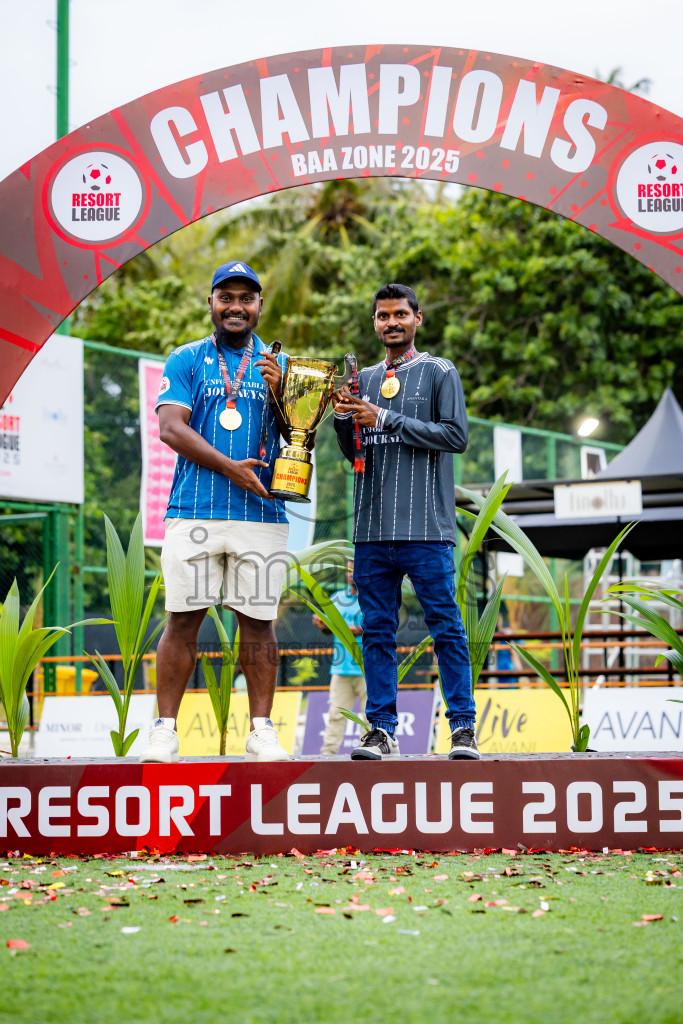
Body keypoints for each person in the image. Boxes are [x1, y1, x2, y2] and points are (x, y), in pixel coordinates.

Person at [140, 260, 291, 763]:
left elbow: (300, 439)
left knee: (258, 622)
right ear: (210, 303)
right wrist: (231, 468)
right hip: (195, 511)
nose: (235, 307)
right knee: (183, 620)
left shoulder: (281, 364)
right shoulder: (186, 359)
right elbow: (170, 429)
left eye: (246, 298)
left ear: (259, 306)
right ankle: (165, 729)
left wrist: (281, 392)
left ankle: (262, 730)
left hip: (262, 515)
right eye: (226, 297)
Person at [332, 282, 479, 760]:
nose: (390, 322)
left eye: (399, 314)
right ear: (374, 322)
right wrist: (341, 418)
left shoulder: (440, 371)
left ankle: (461, 729)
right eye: (382, 316)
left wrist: (385, 417)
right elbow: (356, 450)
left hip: (427, 529)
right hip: (372, 531)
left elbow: (455, 436)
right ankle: (381, 730)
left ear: (418, 318)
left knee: (446, 628)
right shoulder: (363, 379)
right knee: (377, 631)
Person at [312, 560, 368, 755]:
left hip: (366, 668)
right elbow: (329, 630)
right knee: (335, 714)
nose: (350, 574)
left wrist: (338, 626)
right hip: (340, 668)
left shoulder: (371, 597)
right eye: (347, 570)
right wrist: (322, 624)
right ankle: (328, 754)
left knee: (368, 717)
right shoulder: (336, 597)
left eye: (354, 569)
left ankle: (366, 751)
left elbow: (366, 628)